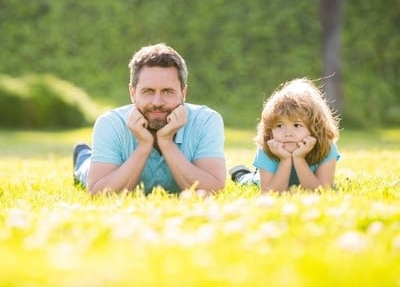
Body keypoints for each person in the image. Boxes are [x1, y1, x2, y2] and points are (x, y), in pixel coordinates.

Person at [73, 43, 226, 195]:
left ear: (183, 93)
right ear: (132, 93)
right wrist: (144, 145)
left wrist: (166, 142)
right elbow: (99, 194)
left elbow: (214, 190)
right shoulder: (110, 123)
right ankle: (83, 156)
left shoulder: (207, 121)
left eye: (167, 91)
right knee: (86, 169)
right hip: (101, 169)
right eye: (148, 91)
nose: (157, 102)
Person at [229, 78, 340, 192]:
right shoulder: (268, 146)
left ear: (315, 127)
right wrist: (285, 160)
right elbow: (269, 194)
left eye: (297, 125)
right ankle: (241, 174)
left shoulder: (327, 147)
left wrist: (299, 158)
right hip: (270, 179)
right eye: (279, 126)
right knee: (249, 181)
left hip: (310, 179)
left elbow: (321, 192)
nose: (288, 134)